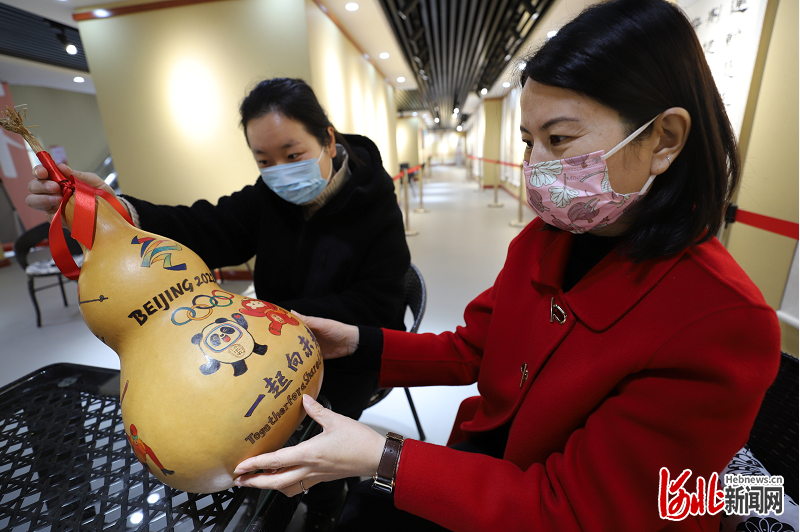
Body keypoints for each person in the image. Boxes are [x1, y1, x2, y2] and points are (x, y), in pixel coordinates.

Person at [229, 1, 782, 531]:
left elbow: (575, 512)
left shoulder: (721, 323)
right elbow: (473, 349)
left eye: (559, 139)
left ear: (664, 139)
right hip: (479, 465)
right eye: (528, 141)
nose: (534, 167)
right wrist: (354, 341)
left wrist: (383, 456)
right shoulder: (546, 240)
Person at [27, 77, 411, 531]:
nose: (280, 171)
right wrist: (117, 211)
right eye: (264, 160)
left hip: (342, 364)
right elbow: (205, 225)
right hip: (256, 350)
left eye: (293, 155)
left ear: (328, 137)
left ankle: (327, 501)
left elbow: (378, 307)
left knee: (306, 454)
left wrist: (268, 313)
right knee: (228, 440)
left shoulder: (376, 206)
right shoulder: (268, 197)